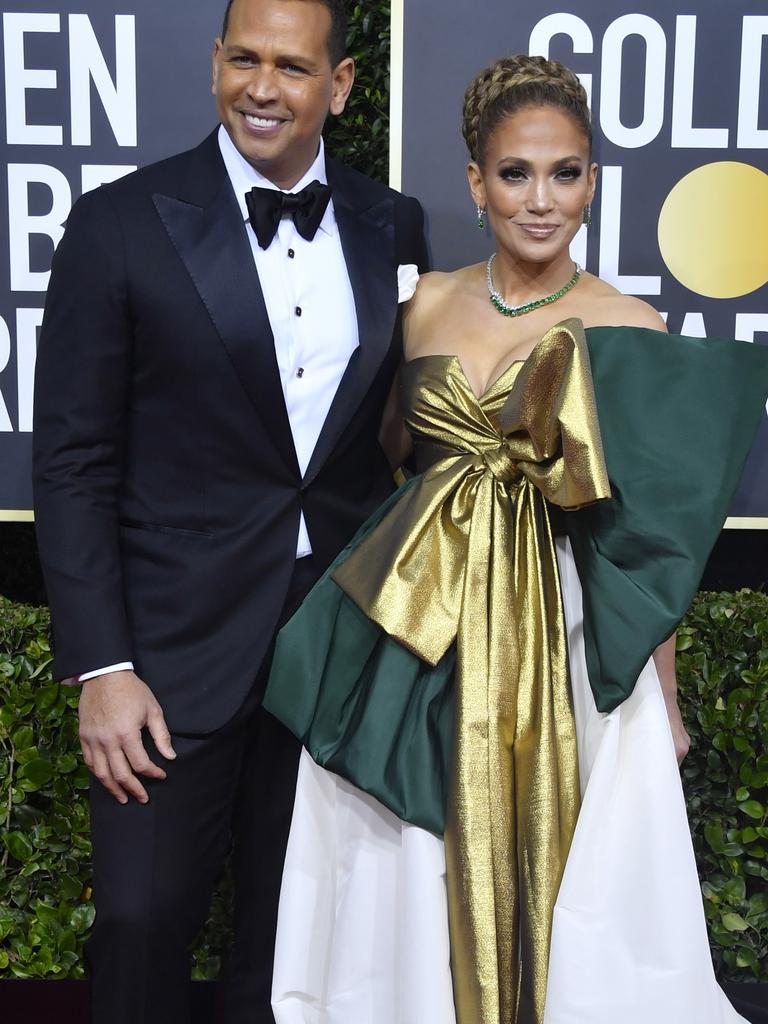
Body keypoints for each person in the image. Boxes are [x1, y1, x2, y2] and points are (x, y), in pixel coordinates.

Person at [261, 55, 768, 1023]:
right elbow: (387, 462)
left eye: (566, 172)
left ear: (590, 179)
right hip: (422, 626)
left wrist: (660, 695)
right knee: (401, 863)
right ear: (475, 182)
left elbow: (650, 539)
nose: (542, 200)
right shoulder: (423, 308)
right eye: (517, 173)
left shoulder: (629, 322)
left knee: (574, 877)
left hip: (559, 632)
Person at [31, 0, 427, 1021]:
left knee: (295, 936)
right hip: (168, 652)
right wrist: (102, 667)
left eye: (291, 67)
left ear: (339, 86)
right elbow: (72, 461)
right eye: (243, 59)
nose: (262, 86)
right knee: (140, 918)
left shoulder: (394, 225)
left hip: (333, 637)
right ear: (213, 64)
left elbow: (397, 435)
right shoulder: (120, 223)